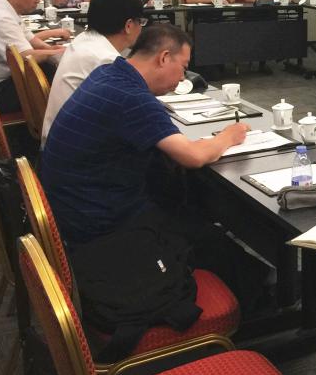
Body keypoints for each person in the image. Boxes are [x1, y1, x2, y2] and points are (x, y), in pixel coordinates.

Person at [40, 24, 266, 310]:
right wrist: (229, 136)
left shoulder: (107, 74)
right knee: (206, 237)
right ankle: (261, 303)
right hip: (100, 225)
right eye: (183, 67)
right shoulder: (132, 98)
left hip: (73, 206)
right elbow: (193, 157)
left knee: (182, 198)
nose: (182, 78)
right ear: (164, 57)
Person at [42, 0, 146, 142]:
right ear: (129, 25)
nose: (142, 28)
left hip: (58, 138)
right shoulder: (105, 60)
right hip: (72, 146)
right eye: (141, 22)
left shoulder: (84, 39)